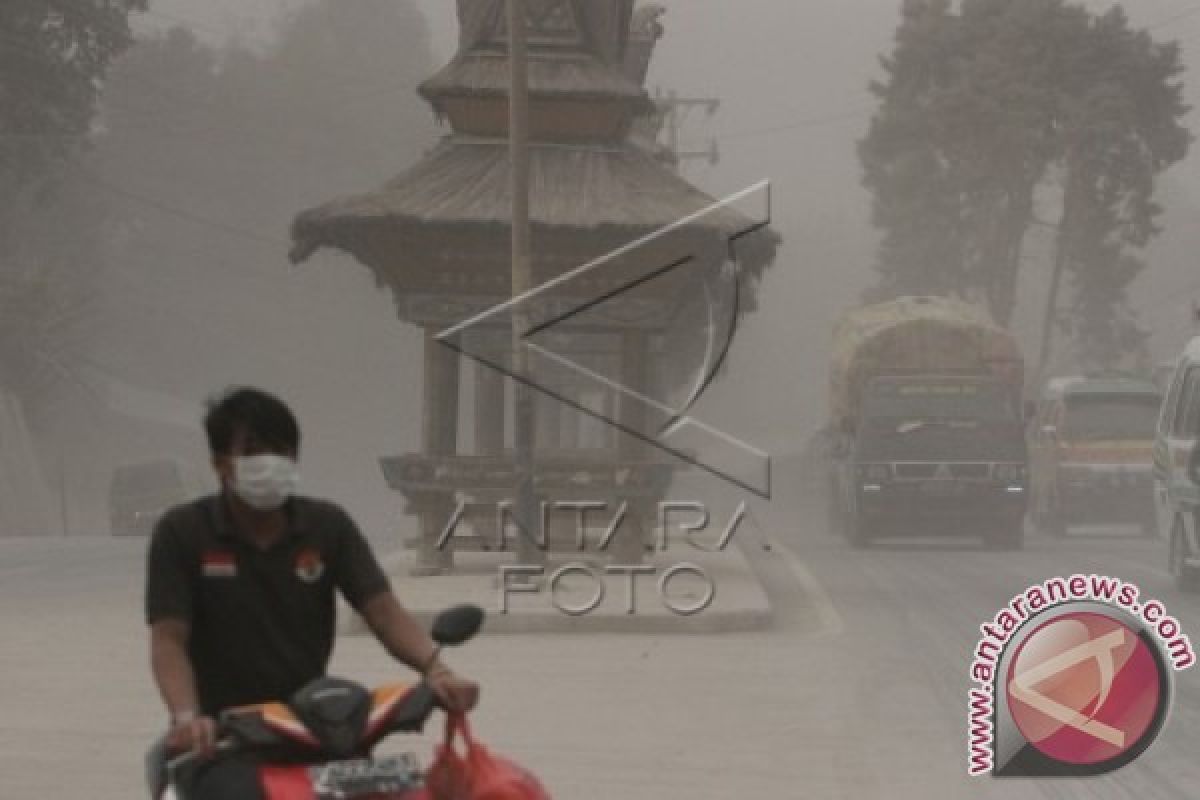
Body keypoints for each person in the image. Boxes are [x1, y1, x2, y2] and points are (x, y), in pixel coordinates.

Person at [145, 387, 479, 799]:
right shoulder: (183, 533)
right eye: (251, 450)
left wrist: (437, 671)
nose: (269, 462)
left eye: (281, 450)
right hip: (222, 738)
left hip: (316, 728)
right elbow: (168, 638)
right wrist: (187, 717)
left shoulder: (327, 526)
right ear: (220, 464)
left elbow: (382, 612)